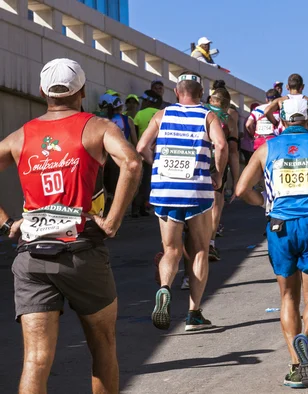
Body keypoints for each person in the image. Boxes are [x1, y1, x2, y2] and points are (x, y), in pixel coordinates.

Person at [0, 58, 141, 393]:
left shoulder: (21, 135)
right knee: (102, 345)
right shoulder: (97, 127)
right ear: (81, 90)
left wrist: (7, 224)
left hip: (32, 253)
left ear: (42, 91)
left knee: (35, 359)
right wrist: (113, 221)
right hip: (82, 251)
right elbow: (132, 163)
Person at [235, 98, 308, 388]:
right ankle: (306, 340)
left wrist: (264, 203)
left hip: (279, 226)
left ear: (282, 120)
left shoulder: (266, 148)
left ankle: (298, 365)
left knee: (288, 298)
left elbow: (240, 189)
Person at [137, 71, 227, 331]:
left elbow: (142, 147)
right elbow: (221, 146)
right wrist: (218, 175)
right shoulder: (207, 115)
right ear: (201, 94)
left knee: (171, 250)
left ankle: (165, 288)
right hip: (196, 190)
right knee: (199, 249)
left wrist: (159, 166)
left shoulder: (161, 115)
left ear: (176, 92)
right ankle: (193, 313)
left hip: (166, 190)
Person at [205, 87, 240, 261]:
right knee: (216, 205)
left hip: (197, 160)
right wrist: (236, 180)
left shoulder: (201, 112)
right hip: (216, 162)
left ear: (211, 100)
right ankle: (210, 243)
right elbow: (233, 151)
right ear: (226, 104)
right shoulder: (228, 119)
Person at [132, 90, 162, 218]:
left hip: (143, 151)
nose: (142, 103)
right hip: (159, 152)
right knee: (151, 181)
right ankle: (145, 206)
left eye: (144, 100)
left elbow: (135, 131)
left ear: (149, 101)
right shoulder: (161, 114)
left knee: (140, 181)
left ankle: (136, 208)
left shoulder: (140, 114)